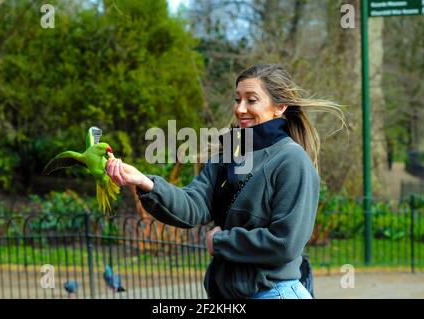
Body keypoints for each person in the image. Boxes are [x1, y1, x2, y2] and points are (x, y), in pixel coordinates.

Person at [106, 64, 345, 299]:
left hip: (274, 293)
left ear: (280, 106)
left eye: (251, 100)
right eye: (237, 99)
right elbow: (192, 206)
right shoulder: (229, 153)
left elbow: (285, 243)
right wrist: (143, 181)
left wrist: (220, 241)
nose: (240, 109)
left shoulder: (292, 161)